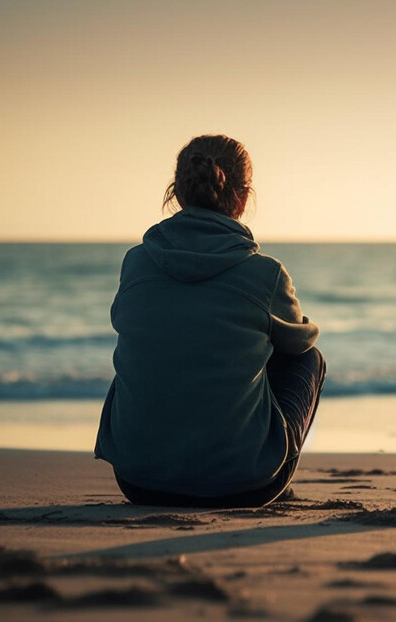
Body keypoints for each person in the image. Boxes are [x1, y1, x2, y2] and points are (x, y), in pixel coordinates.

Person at [95, 134, 324, 508]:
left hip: (138, 480)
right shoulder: (265, 274)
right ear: (243, 197)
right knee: (307, 358)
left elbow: (122, 320)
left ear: (178, 193)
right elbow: (302, 341)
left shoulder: (136, 262)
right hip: (245, 486)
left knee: (155, 347)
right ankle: (272, 464)